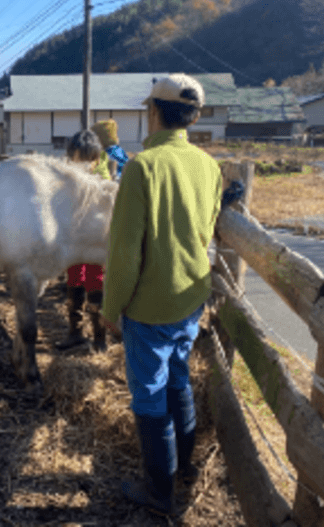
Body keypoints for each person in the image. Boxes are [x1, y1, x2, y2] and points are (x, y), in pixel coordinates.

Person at [101, 74, 222, 515]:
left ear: (153, 111)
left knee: (149, 395)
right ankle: (185, 468)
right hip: (190, 296)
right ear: (192, 117)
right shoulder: (208, 165)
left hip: (150, 303)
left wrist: (111, 308)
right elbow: (208, 226)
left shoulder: (142, 168)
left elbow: (125, 251)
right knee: (178, 379)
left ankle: (159, 493)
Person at [56, 129, 110, 351]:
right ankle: (75, 332)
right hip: (75, 243)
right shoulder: (66, 183)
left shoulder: (105, 184)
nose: (82, 166)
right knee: (74, 282)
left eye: (86, 161)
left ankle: (99, 338)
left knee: (95, 283)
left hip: (96, 245)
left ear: (96, 160)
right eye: (76, 161)